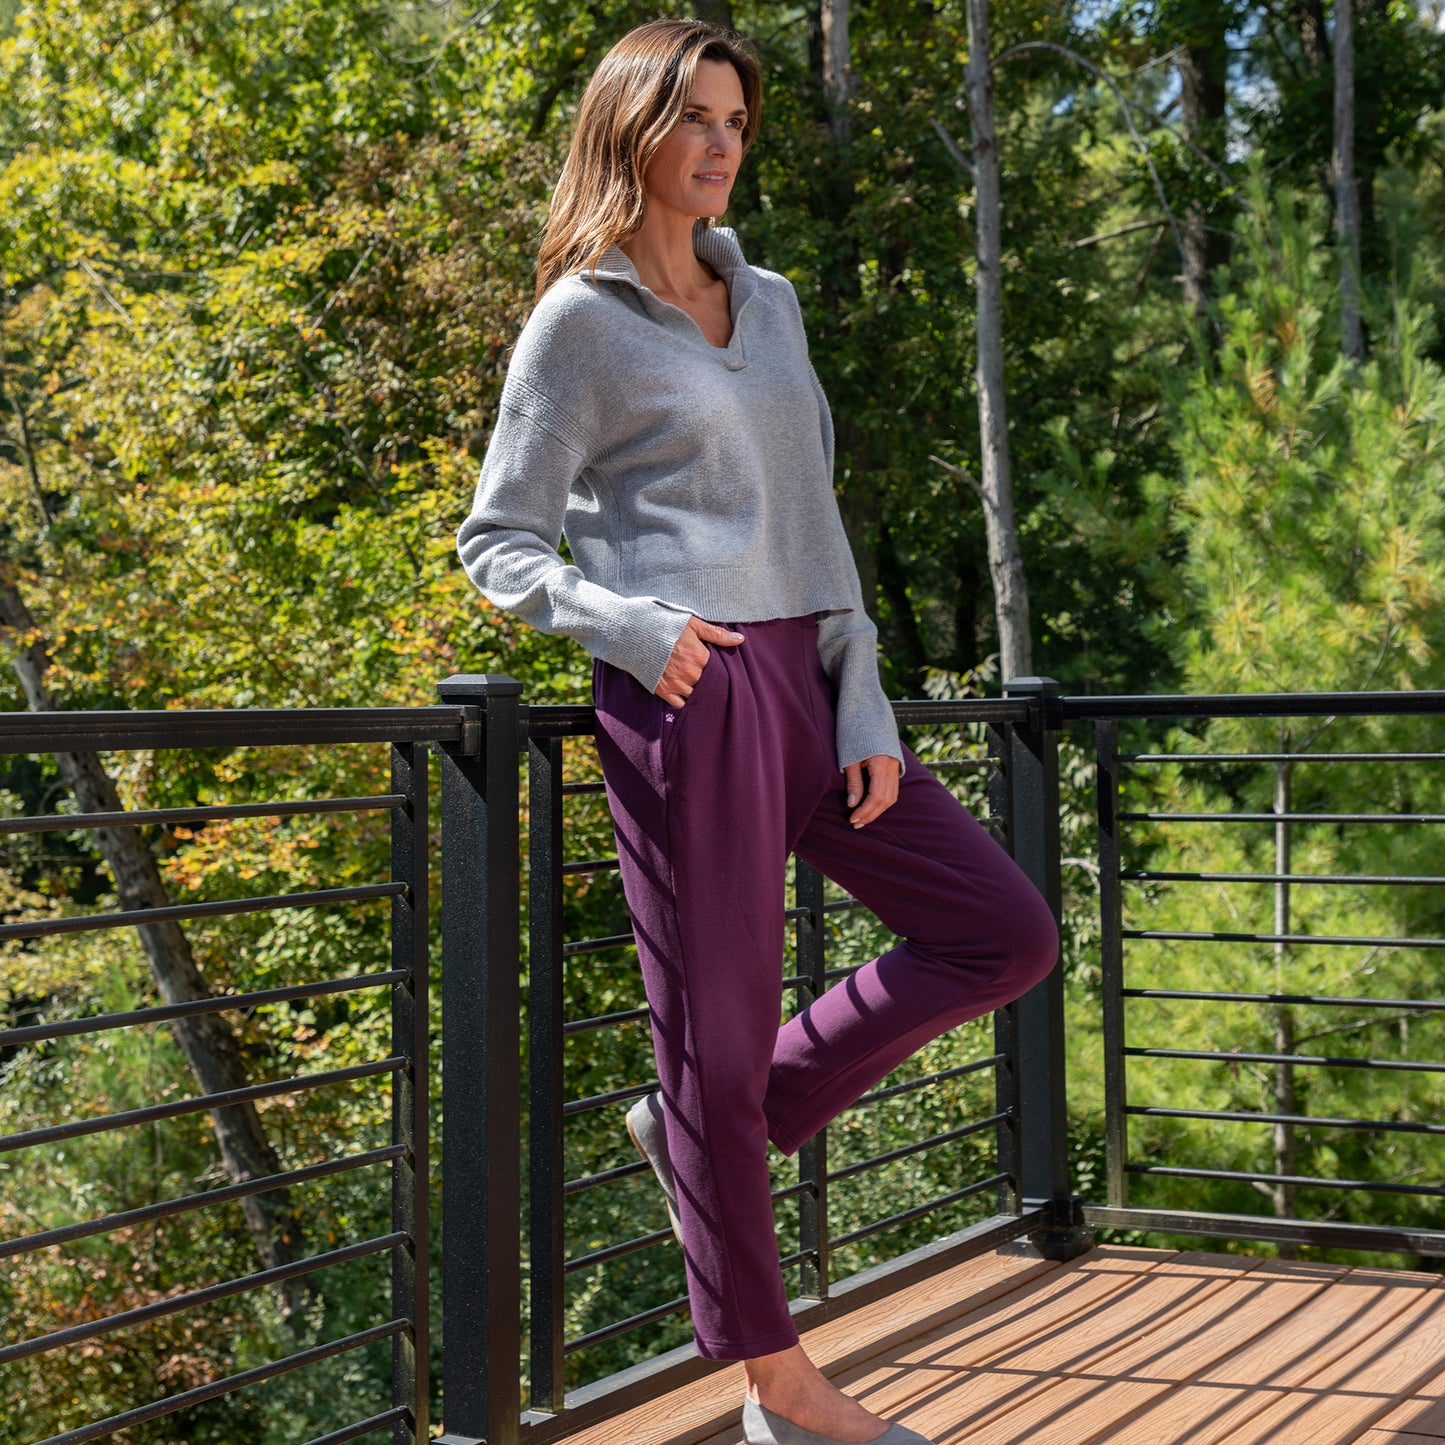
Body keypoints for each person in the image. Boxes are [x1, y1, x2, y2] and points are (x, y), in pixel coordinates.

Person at [457, 19, 1059, 1445]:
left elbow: (816, 522)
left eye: (736, 119)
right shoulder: (581, 323)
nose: (723, 143)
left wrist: (860, 699)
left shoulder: (769, 300)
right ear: (633, 132)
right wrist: (635, 627)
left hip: (809, 686)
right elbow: (498, 543)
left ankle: (708, 1129)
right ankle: (778, 1390)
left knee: (1002, 929)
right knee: (708, 1043)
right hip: (689, 695)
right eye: (696, 118)